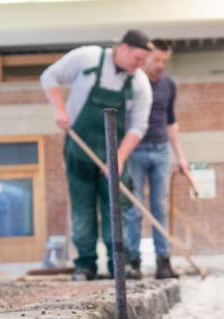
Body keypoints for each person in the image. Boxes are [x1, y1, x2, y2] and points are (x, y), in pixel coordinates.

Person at [41, 29, 153, 281]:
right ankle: (85, 265)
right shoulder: (87, 57)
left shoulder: (139, 83)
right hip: (79, 148)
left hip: (115, 153)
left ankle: (118, 265)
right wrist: (60, 110)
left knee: (116, 207)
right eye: (137, 58)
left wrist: (118, 158)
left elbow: (138, 125)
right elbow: (49, 76)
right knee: (82, 208)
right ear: (123, 49)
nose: (140, 65)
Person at [124, 39, 189, 280]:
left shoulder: (168, 85)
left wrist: (180, 156)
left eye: (165, 61)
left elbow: (171, 122)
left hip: (161, 150)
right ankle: (133, 262)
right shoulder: (131, 82)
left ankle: (164, 262)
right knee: (134, 209)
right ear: (146, 57)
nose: (161, 65)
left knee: (160, 207)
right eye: (157, 59)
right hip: (135, 151)